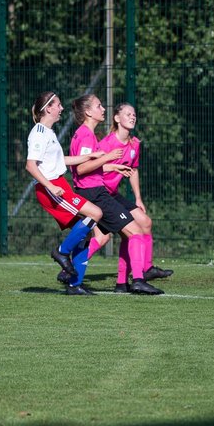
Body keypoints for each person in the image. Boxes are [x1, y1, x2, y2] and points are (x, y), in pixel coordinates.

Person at [68, 94, 162, 295]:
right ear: (88, 112)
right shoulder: (89, 136)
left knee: (133, 228)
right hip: (96, 192)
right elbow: (82, 168)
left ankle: (76, 276)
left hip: (98, 191)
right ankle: (137, 279)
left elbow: (87, 166)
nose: (103, 109)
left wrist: (114, 168)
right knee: (133, 232)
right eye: (99, 106)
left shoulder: (130, 142)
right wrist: (109, 159)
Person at [25, 90, 115, 295]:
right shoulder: (38, 132)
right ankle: (61, 252)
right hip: (52, 189)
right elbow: (30, 166)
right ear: (48, 108)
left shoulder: (48, 132)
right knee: (96, 214)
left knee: (84, 235)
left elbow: (60, 161)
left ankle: (75, 284)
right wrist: (50, 186)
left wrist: (90, 156)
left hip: (58, 185)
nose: (61, 108)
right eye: (57, 104)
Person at [88, 102, 174, 291]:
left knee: (145, 222)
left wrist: (138, 198)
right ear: (117, 118)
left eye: (134, 114)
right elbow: (89, 168)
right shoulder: (106, 144)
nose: (132, 117)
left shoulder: (134, 144)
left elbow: (133, 170)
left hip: (113, 194)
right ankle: (73, 267)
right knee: (109, 236)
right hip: (100, 194)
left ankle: (145, 269)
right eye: (128, 114)